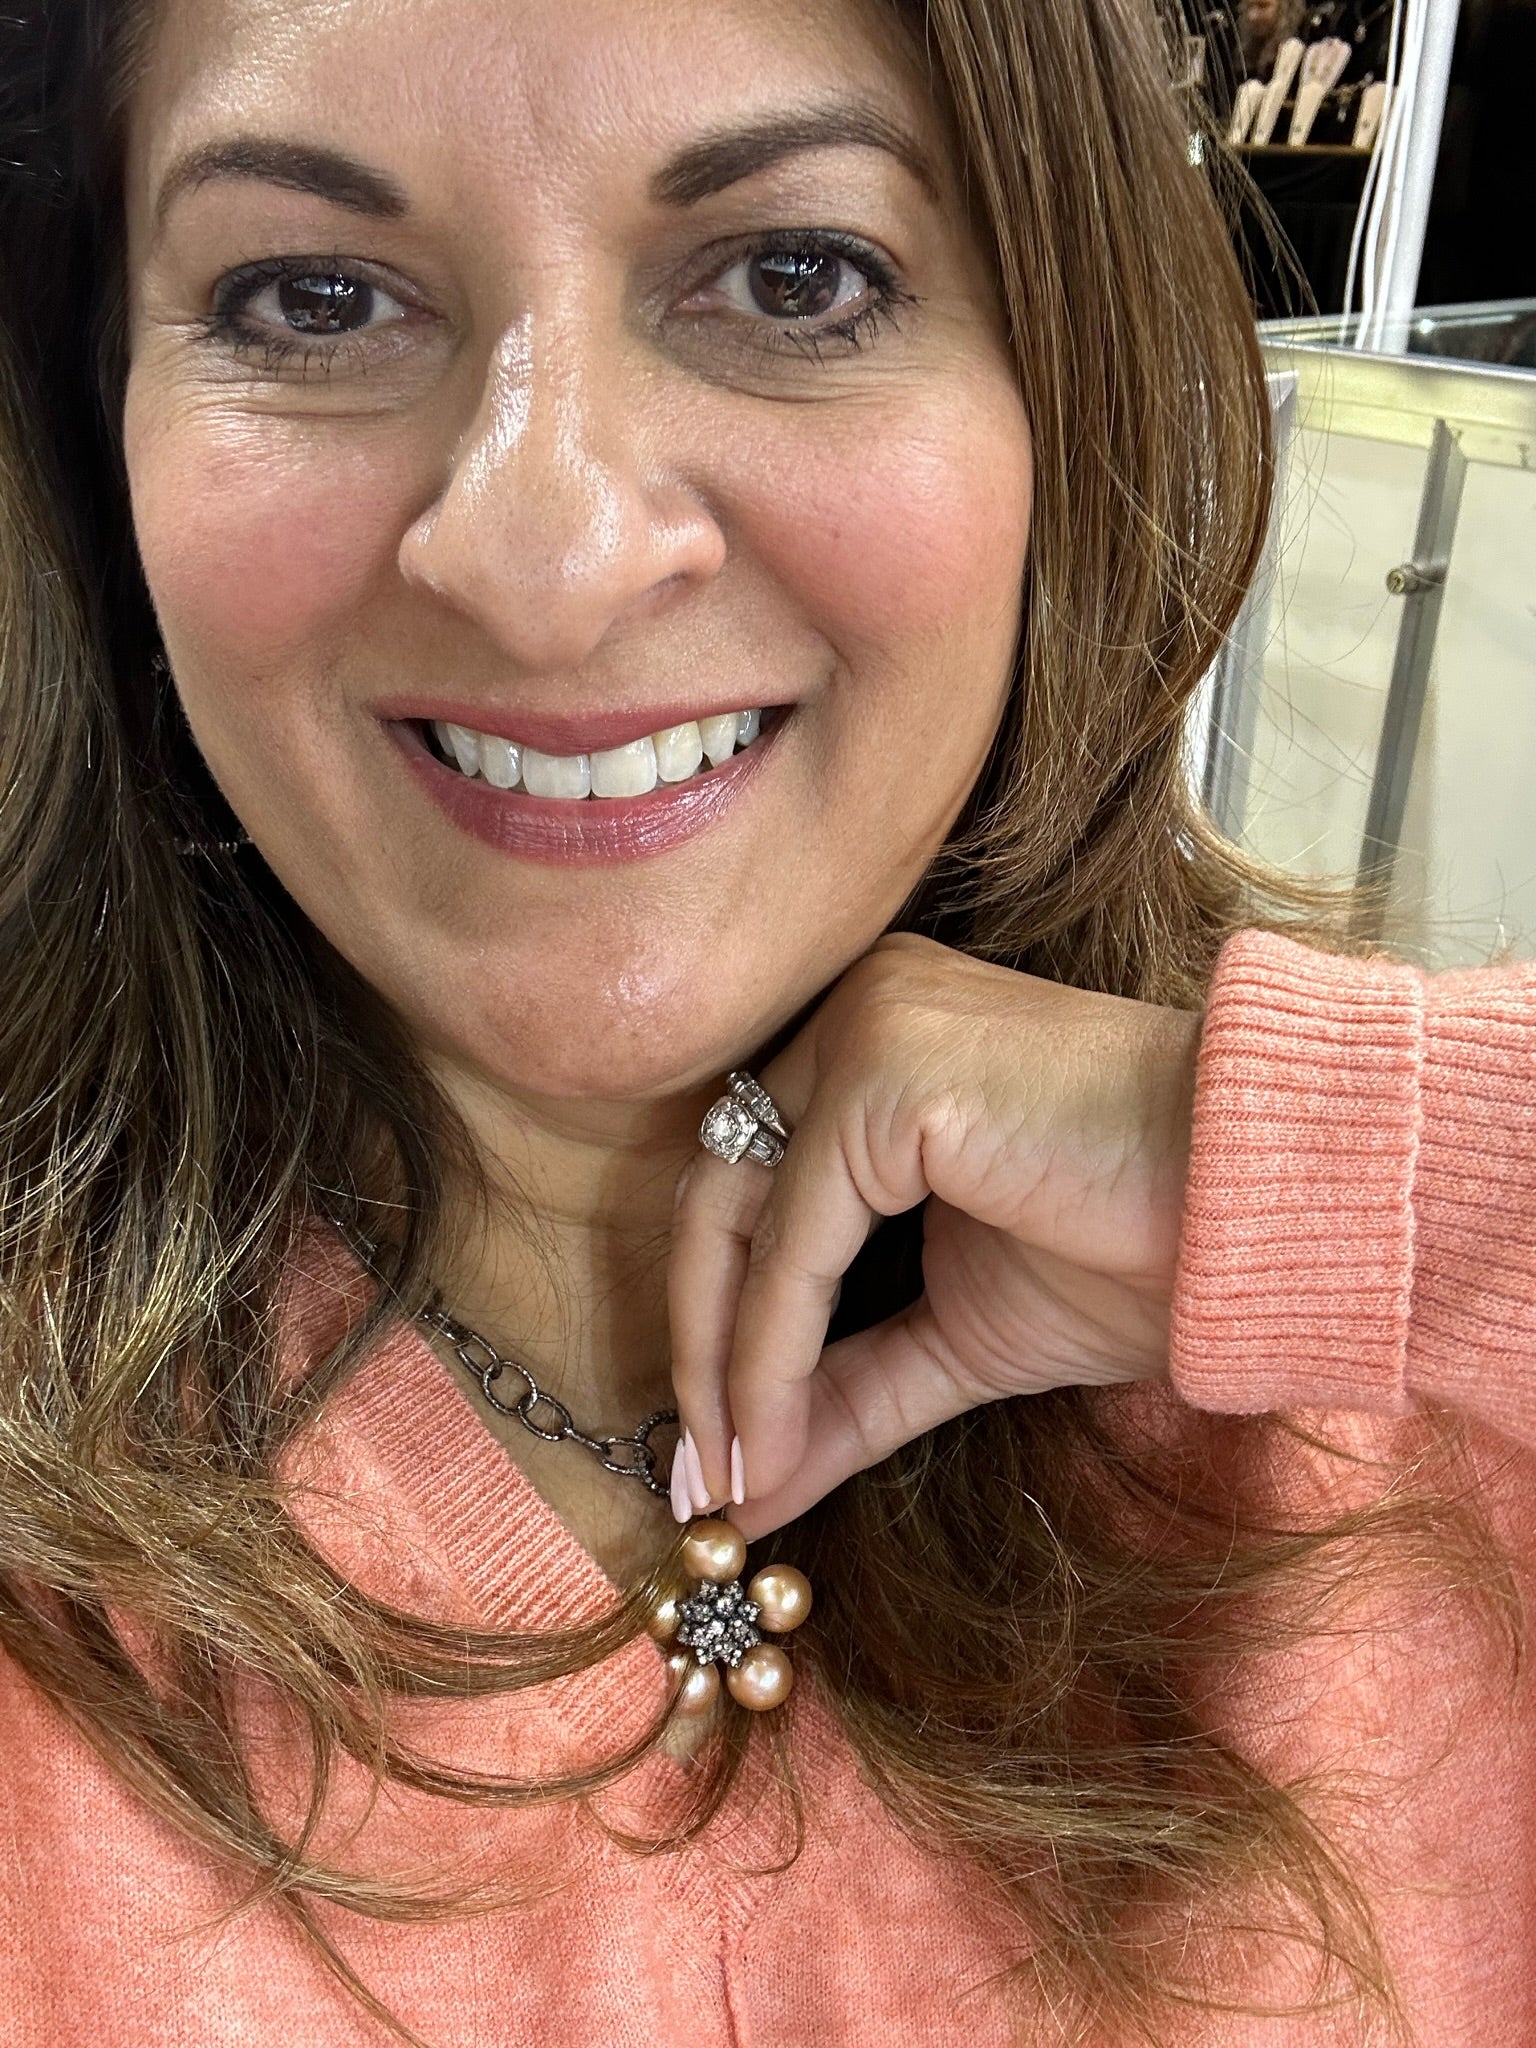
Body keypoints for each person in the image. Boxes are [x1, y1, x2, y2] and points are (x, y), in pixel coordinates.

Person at [0, 0, 1532, 2044]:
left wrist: (1360, 1178)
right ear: (99, 421)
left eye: (795, 276)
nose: (549, 563)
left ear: (1060, 376)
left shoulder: (1414, 1364)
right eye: (316, 297)